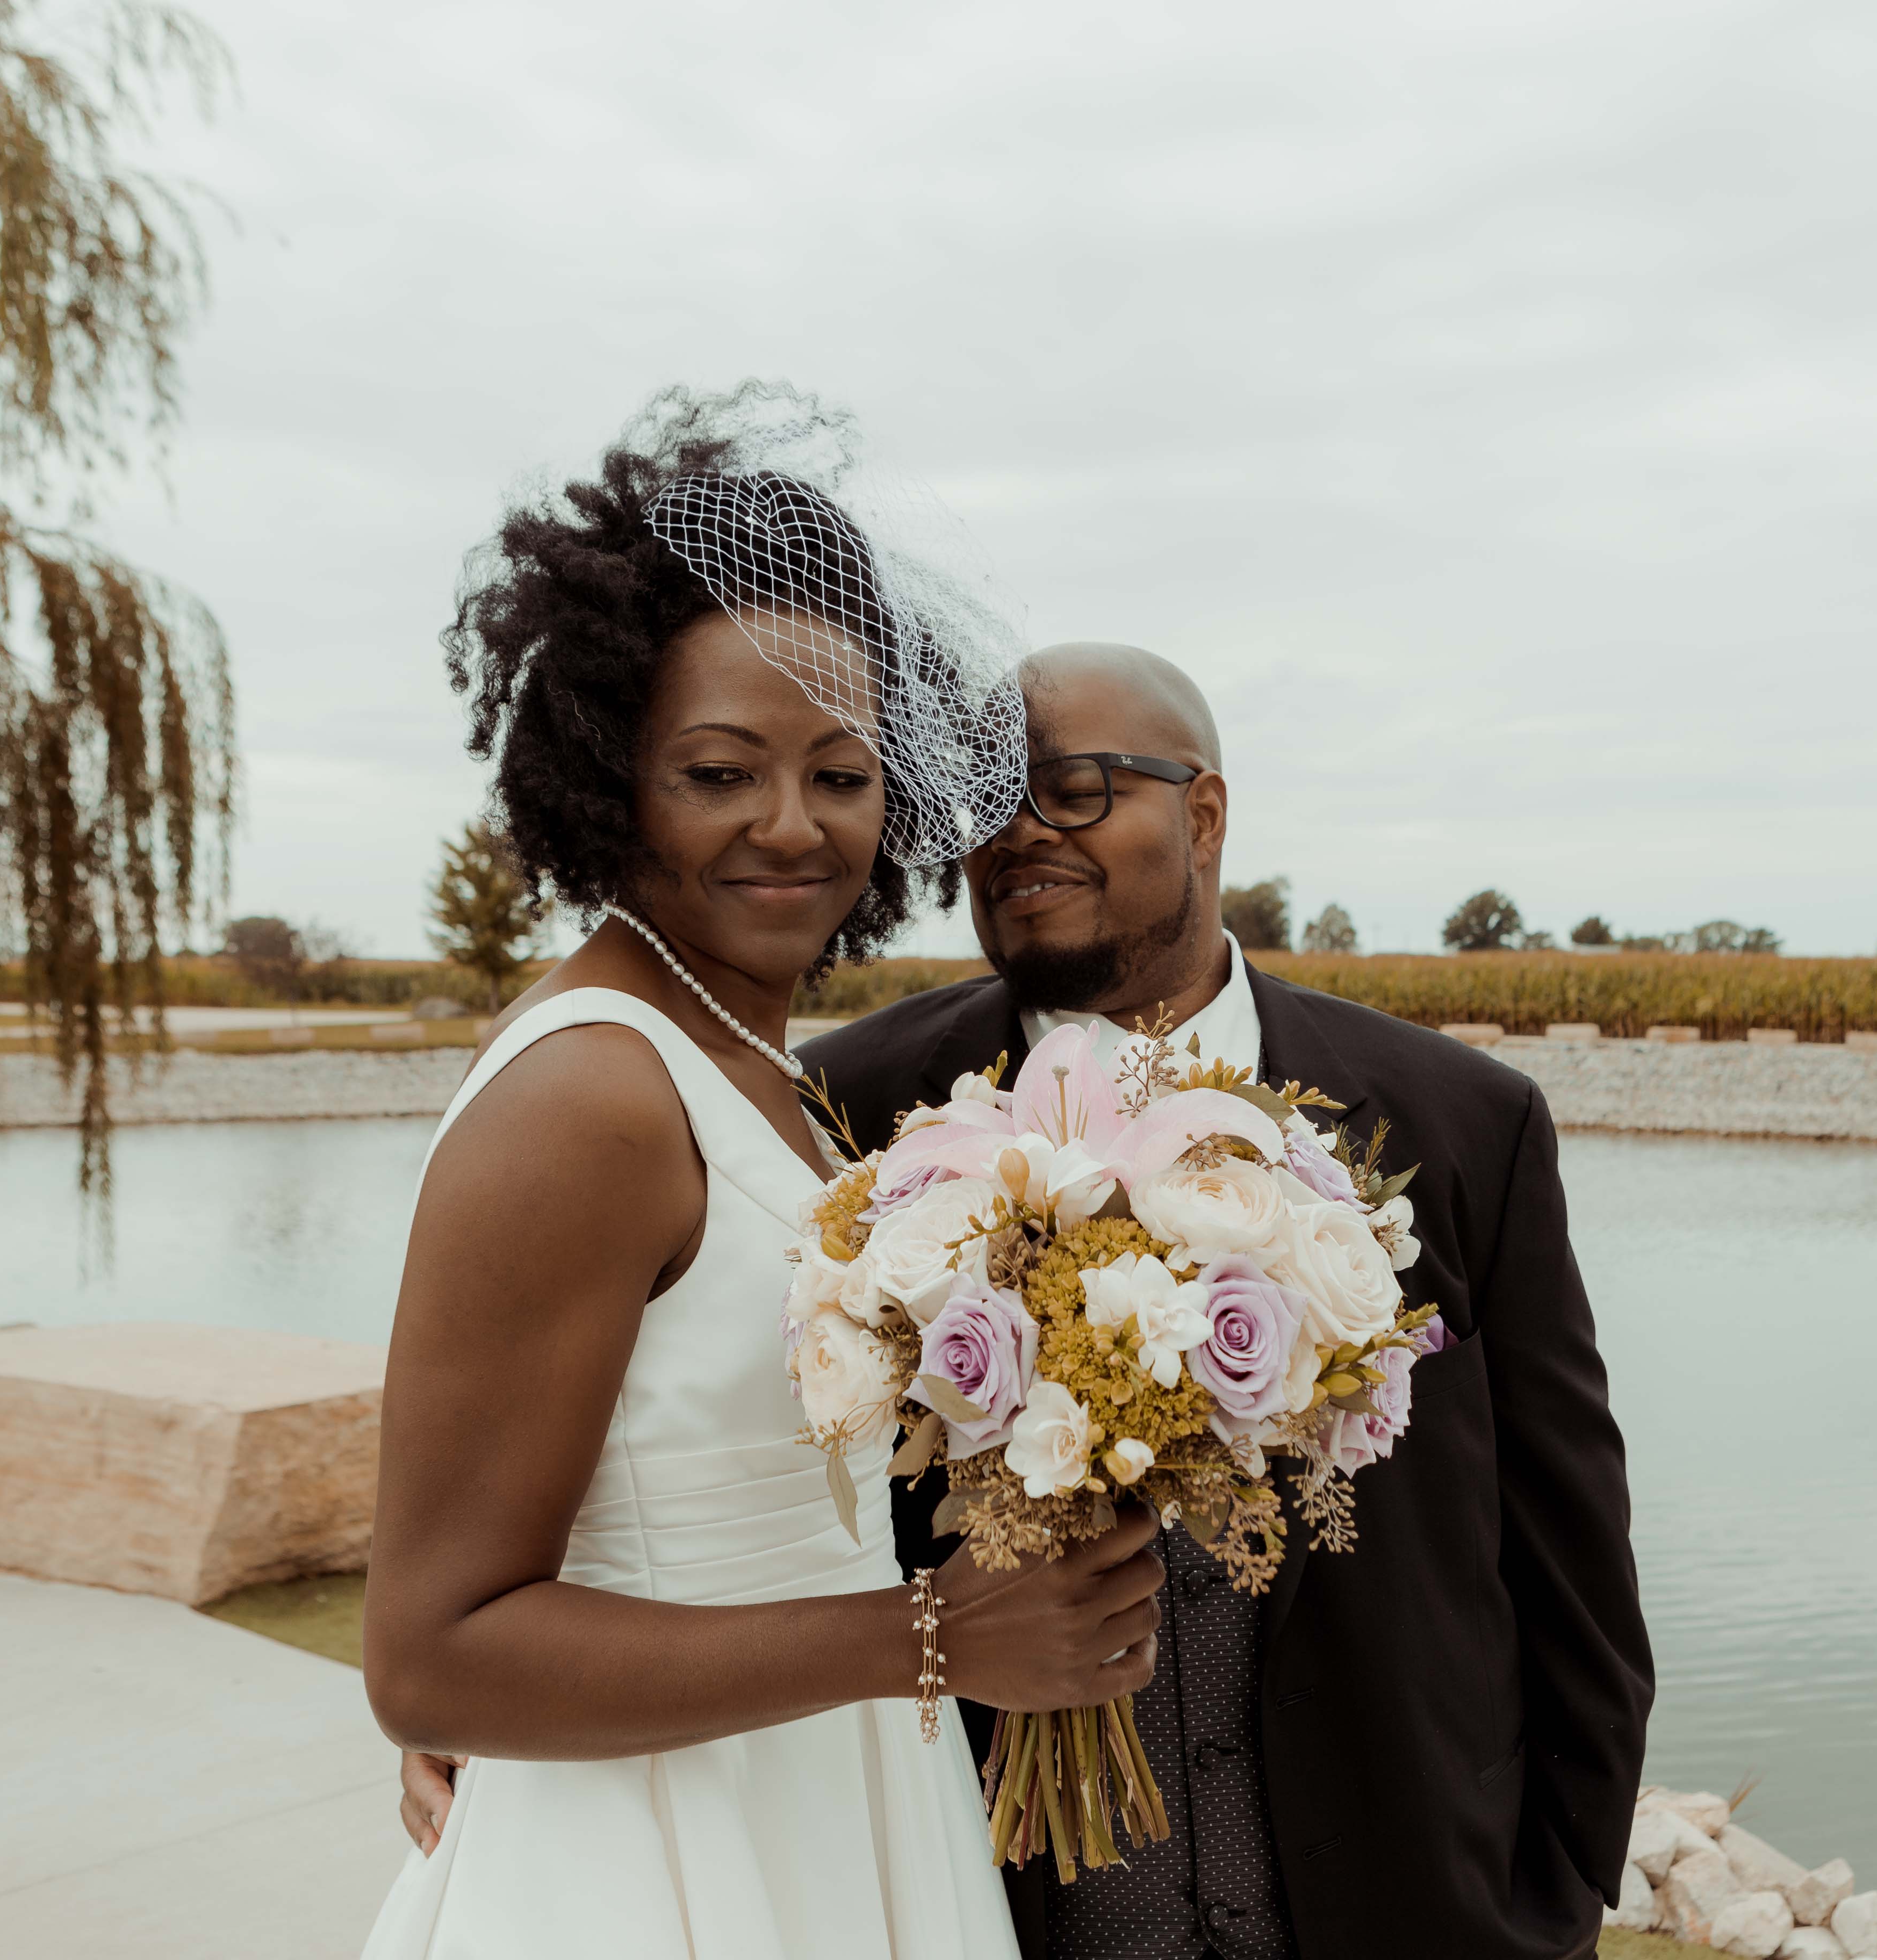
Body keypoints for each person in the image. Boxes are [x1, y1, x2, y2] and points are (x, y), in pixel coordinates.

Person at [401, 640, 1656, 1960]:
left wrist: (1554, 1898)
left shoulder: (1463, 1120)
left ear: (1206, 813)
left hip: (1406, 1902)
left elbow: (1570, 1546)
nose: (1018, 837)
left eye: (1075, 790)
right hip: (989, 1899)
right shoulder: (846, 1109)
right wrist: (505, 1696)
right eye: (979, 802)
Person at [359, 388, 1156, 1960]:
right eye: (720, 772)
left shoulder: (755, 1065)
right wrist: (934, 1638)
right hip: (657, 1864)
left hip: (844, 1803)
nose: (792, 828)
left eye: (842, 775)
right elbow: (431, 1658)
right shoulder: (592, 1092)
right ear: (605, 776)